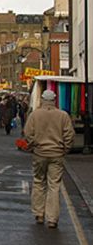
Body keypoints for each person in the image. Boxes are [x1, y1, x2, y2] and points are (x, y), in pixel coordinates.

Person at [24, 90, 75, 229]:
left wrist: (33, 144)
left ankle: (39, 214)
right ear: (54, 100)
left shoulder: (35, 114)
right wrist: (65, 148)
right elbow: (69, 134)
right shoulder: (63, 115)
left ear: (42, 99)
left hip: (39, 153)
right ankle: (52, 219)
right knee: (54, 185)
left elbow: (28, 133)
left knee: (39, 181)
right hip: (57, 154)